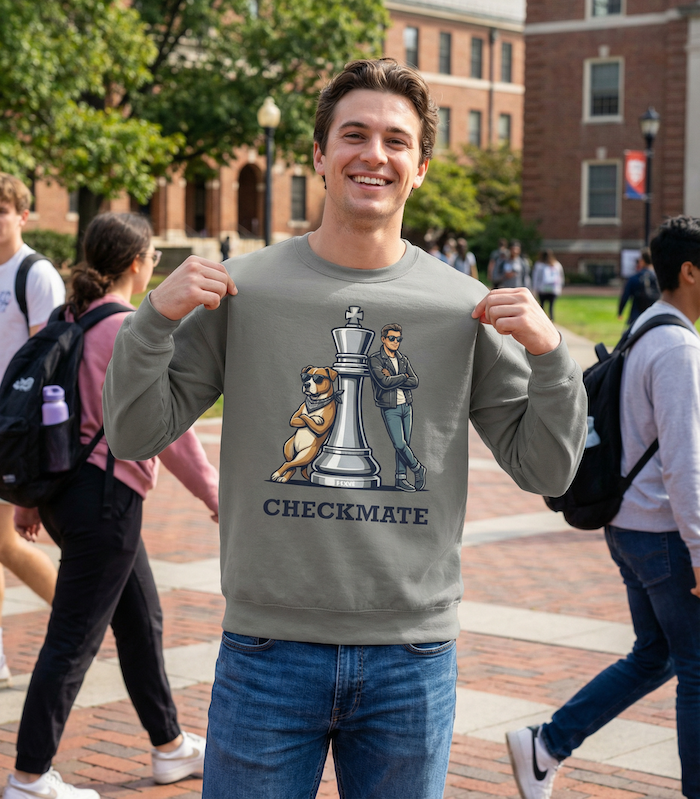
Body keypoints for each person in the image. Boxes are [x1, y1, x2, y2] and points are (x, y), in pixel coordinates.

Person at [103, 58, 587, 799]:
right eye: (353, 134)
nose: (374, 154)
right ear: (319, 157)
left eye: (396, 140)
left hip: (411, 655)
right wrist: (151, 324)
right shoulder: (243, 288)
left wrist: (553, 359)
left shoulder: (464, 305)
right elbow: (134, 433)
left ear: (420, 166)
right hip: (267, 648)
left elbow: (548, 471)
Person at [5, 213, 219, 799]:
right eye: (151, 257)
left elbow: (54, 415)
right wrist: (211, 490)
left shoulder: (65, 317)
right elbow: (169, 429)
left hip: (69, 495)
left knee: (140, 622)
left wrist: (31, 501)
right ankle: (28, 777)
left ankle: (170, 746)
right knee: (72, 639)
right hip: (106, 499)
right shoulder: (128, 326)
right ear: (138, 262)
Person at [506, 216, 700, 799]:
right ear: (690, 271)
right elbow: (685, 462)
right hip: (665, 534)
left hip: (629, 529)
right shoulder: (678, 348)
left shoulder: (645, 329)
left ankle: (547, 743)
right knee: (695, 669)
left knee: (656, 655)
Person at [0, 173, 63, 689]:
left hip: (13, 432)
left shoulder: (35, 275)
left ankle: (83, 616)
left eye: (3, 210)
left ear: (22, 215)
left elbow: (49, 362)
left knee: (5, 543)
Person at [368, 323, 425, 492]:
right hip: (390, 406)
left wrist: (394, 376)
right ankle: (417, 468)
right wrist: (403, 377)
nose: (395, 342)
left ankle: (401, 479)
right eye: (391, 338)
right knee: (399, 444)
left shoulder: (402, 359)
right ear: (383, 339)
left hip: (406, 405)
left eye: (398, 339)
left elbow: (414, 381)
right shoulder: (375, 359)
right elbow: (383, 383)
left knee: (405, 444)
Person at [618, 246, 660, 325]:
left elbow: (625, 296)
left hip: (636, 317)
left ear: (642, 261)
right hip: (654, 317)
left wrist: (620, 312)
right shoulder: (659, 279)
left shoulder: (634, 278)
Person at [531, 249, 564, 320]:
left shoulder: (539, 265)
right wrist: (559, 288)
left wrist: (535, 289)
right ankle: (552, 320)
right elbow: (561, 277)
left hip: (542, 289)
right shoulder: (556, 264)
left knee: (542, 306)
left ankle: (542, 320)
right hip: (553, 289)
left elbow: (536, 278)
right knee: (551, 307)